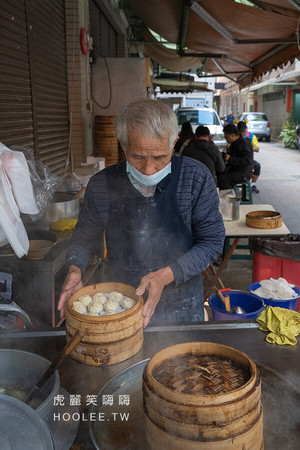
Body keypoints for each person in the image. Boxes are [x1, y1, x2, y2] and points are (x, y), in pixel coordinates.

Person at [58, 99, 225, 327]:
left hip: (183, 305)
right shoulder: (102, 185)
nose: (148, 169)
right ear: (123, 145)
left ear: (173, 143)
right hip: (123, 304)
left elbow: (212, 242)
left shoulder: (195, 178)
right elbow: (83, 238)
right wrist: (75, 268)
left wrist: (167, 275)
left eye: (159, 157)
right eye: (137, 157)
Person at [217, 124, 253, 190]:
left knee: (223, 179)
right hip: (236, 170)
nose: (225, 139)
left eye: (226, 137)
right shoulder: (234, 144)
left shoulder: (244, 144)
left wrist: (230, 159)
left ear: (232, 135)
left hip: (244, 172)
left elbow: (247, 160)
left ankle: (229, 197)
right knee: (218, 174)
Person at [237, 121, 260, 193]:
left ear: (246, 129)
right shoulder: (235, 136)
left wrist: (248, 148)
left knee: (257, 166)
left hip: (248, 160)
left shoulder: (251, 136)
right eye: (240, 131)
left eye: (243, 131)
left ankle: (252, 184)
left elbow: (257, 148)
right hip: (237, 160)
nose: (242, 133)